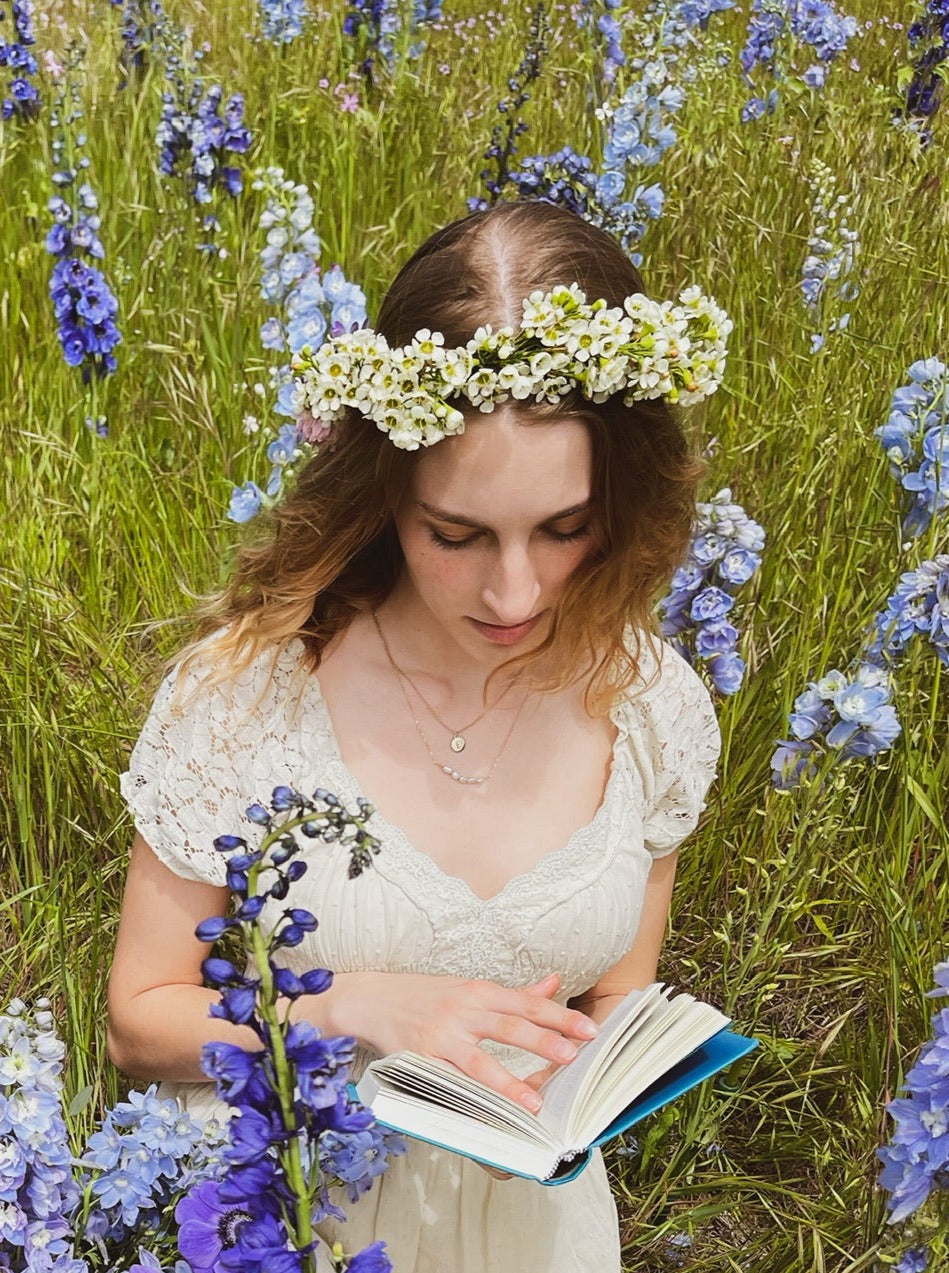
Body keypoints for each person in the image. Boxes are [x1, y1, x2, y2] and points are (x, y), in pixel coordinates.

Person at [108, 199, 725, 1273]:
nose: (514, 590)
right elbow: (139, 1019)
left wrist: (584, 1079)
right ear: (385, 491)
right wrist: (350, 1007)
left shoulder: (649, 703)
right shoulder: (246, 694)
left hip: (534, 1230)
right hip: (289, 1219)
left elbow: (617, 995)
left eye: (565, 527)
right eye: (457, 533)